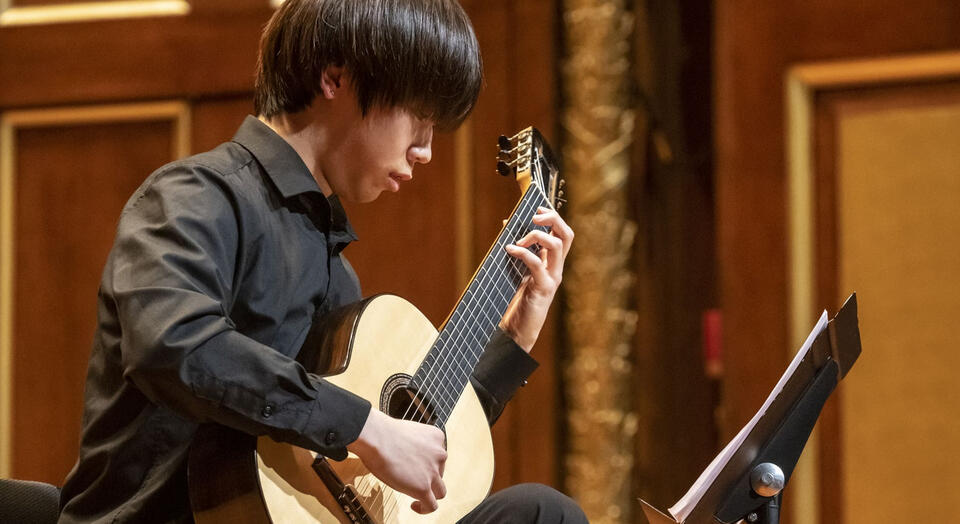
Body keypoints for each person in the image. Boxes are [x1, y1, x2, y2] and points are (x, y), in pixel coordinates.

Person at [59, 0, 584, 522]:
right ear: (335, 78)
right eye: (419, 115)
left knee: (539, 512)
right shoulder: (195, 196)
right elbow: (171, 343)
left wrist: (513, 335)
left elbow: (407, 446)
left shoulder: (336, 272)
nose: (425, 149)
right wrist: (368, 428)